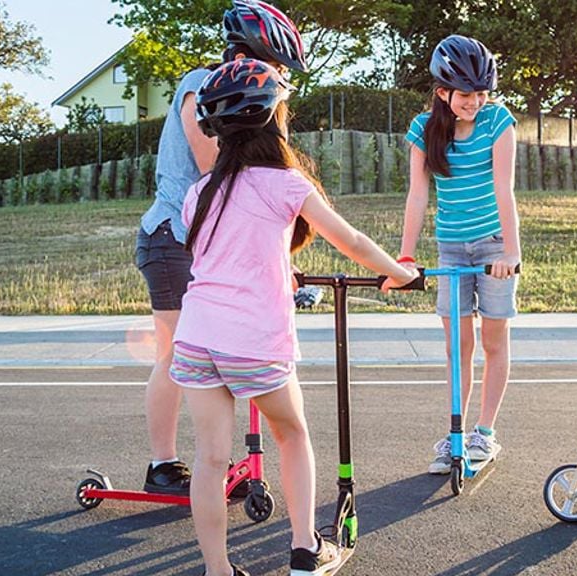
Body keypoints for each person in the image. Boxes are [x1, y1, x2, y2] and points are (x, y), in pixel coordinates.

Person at [172, 59, 418, 576]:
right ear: (271, 119)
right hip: (253, 341)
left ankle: (218, 570)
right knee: (292, 434)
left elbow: (226, 254)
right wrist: (399, 273)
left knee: (212, 458)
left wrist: (280, 264)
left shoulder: (199, 192)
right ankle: (305, 548)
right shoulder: (285, 182)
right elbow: (349, 240)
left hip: (197, 338)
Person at [134, 0, 310, 496]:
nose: (276, 77)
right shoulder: (201, 87)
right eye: (275, 65)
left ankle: (210, 465)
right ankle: (163, 465)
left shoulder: (249, 98)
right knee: (175, 353)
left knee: (216, 354)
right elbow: (221, 178)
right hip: (175, 236)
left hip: (205, 239)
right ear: (248, 53)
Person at [397, 34, 521, 474]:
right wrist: (406, 259)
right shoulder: (423, 130)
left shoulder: (498, 121)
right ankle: (456, 436)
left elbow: (505, 190)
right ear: (443, 92)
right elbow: (417, 196)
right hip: (451, 248)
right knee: (458, 346)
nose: (475, 102)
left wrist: (511, 251)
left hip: (493, 247)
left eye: (482, 93)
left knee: (492, 342)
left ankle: (484, 434)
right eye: (466, 94)